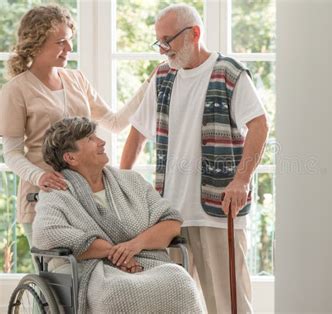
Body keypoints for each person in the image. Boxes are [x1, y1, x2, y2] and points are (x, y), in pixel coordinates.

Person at [120, 4, 269, 313]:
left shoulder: (229, 73)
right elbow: (137, 132)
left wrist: (242, 179)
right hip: (169, 215)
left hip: (217, 209)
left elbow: (259, 124)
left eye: (168, 40)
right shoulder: (162, 76)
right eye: (158, 41)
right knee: (173, 303)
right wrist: (123, 183)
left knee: (229, 304)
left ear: (194, 34)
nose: (162, 49)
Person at [0, 4, 152, 246]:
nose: (69, 48)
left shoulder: (76, 79)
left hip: (88, 197)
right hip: (44, 198)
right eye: (61, 42)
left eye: (70, 40)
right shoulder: (16, 90)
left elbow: (114, 123)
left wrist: (149, 84)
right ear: (37, 43)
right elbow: (12, 153)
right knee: (61, 277)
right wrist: (41, 177)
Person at [32, 117, 203, 313]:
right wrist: (113, 252)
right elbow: (47, 233)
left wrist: (134, 245)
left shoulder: (131, 181)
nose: (101, 142)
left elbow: (170, 221)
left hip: (144, 261)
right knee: (120, 292)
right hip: (91, 269)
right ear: (71, 157)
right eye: (90, 139)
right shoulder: (57, 193)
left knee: (180, 281)